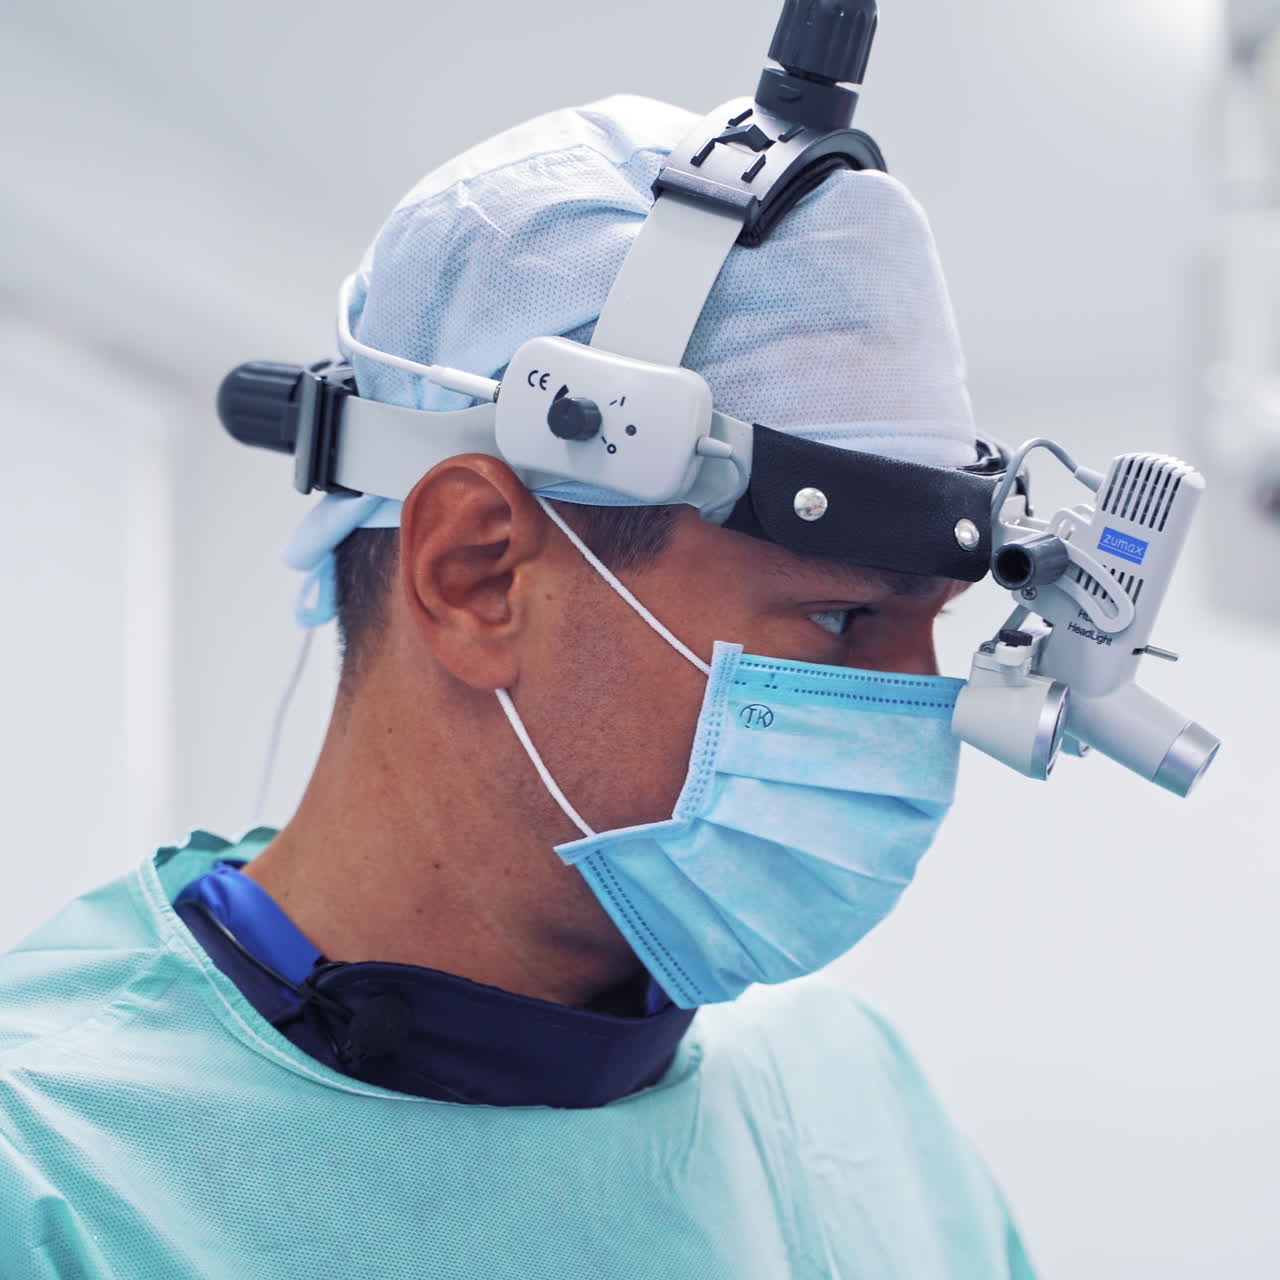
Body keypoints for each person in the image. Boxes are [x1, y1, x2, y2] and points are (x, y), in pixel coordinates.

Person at [0, 95, 1037, 1278]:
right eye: (843, 615)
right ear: (478, 573)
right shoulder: (51, 1179)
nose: (919, 715)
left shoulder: (858, 1111)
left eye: (930, 625)